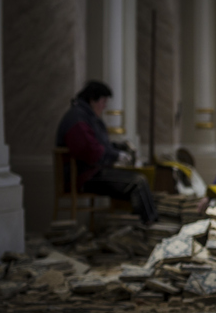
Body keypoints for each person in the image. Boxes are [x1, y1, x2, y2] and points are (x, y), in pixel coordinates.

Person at [56, 80, 158, 224]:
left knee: (140, 179)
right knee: (137, 182)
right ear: (92, 100)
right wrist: (115, 155)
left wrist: (118, 147)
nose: (104, 107)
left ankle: (145, 224)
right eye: (103, 102)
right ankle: (149, 226)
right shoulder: (77, 119)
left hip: (92, 172)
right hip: (83, 177)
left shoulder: (87, 116)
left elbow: (99, 144)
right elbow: (90, 150)